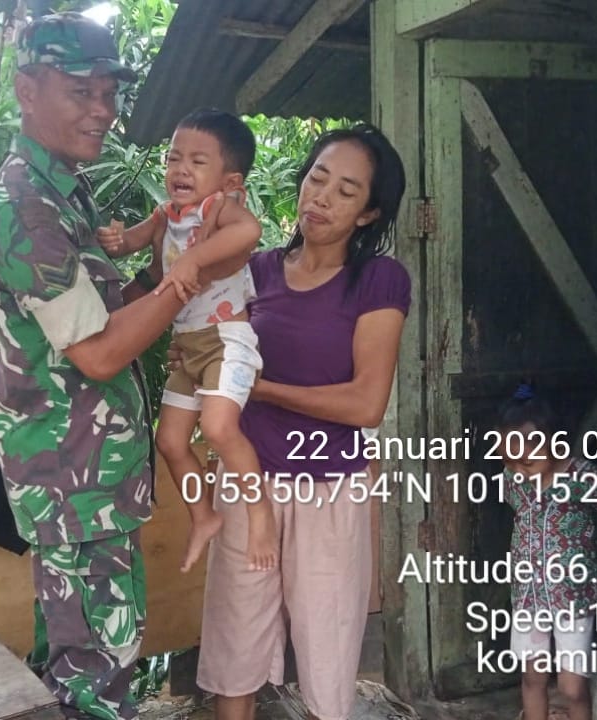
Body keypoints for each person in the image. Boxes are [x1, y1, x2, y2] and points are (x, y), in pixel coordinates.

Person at [0, 13, 228, 720]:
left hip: (91, 477)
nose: (103, 110)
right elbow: (102, 351)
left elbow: (112, 316)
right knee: (95, 682)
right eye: (82, 91)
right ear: (27, 90)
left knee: (85, 669)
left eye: (110, 93)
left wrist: (173, 269)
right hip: (73, 484)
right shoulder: (24, 207)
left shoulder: (62, 189)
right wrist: (191, 274)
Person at [190, 125, 412, 720]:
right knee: (236, 647)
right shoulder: (255, 271)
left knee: (326, 653)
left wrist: (260, 388)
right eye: (318, 178)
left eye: (346, 191)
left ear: (368, 213)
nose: (322, 198)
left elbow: (366, 404)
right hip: (249, 485)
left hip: (328, 490)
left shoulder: (379, 280)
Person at [98, 108, 277, 574]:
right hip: (188, 348)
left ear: (230, 182)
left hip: (225, 342)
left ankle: (261, 514)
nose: (181, 169)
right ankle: (203, 515)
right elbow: (132, 243)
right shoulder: (165, 214)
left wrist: (193, 259)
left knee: (218, 429)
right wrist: (115, 239)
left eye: (198, 162)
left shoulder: (220, 209)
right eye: (174, 158)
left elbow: (250, 231)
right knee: (171, 441)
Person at [493, 384, 597, 720]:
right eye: (510, 460)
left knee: (571, 687)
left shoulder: (583, 478)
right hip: (529, 596)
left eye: (527, 460)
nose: (519, 469)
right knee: (532, 678)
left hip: (574, 598)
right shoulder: (512, 479)